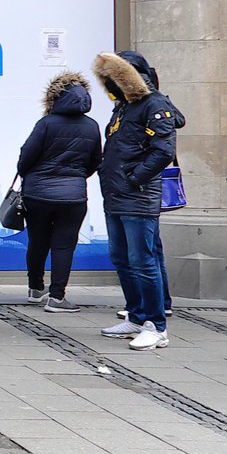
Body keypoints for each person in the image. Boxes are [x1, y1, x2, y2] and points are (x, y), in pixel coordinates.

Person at [95, 50, 181, 352]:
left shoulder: (153, 104)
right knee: (120, 257)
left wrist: (134, 178)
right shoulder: (123, 107)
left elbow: (162, 151)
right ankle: (136, 315)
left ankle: (156, 325)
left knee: (143, 261)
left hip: (138, 196)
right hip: (116, 194)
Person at [15, 71, 103, 314]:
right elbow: (95, 161)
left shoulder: (45, 123)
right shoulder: (92, 126)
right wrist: (75, 177)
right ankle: (57, 297)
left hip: (38, 195)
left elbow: (25, 159)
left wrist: (34, 177)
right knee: (64, 246)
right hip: (73, 196)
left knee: (37, 241)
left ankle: (35, 288)